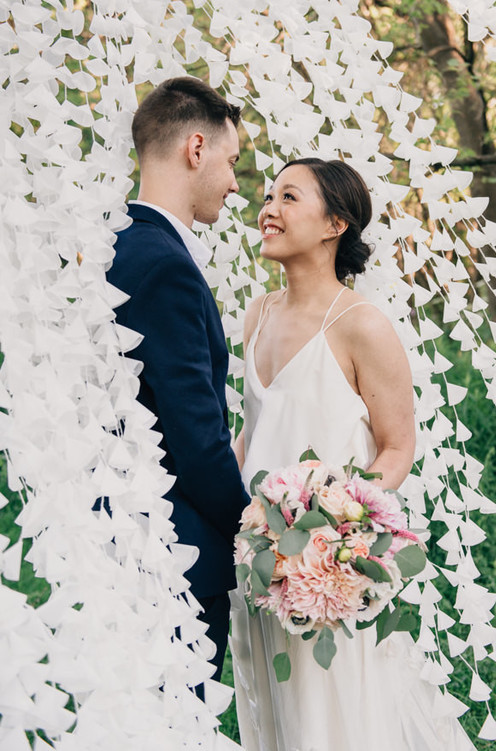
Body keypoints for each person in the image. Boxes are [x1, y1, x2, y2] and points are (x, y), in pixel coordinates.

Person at [230, 158, 476, 750]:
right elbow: (252, 429)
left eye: (289, 197)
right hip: (262, 559)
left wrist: (341, 528)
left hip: (334, 562)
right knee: (279, 703)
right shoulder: (256, 314)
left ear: (335, 222)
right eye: (268, 196)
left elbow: (398, 446)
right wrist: (241, 518)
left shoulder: (362, 325)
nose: (268, 210)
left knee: (341, 707)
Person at [107, 77, 249, 683]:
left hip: (120, 535)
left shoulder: (115, 244)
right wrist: (256, 537)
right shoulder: (166, 264)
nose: (236, 182)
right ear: (197, 148)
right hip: (175, 553)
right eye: (232, 160)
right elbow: (194, 439)